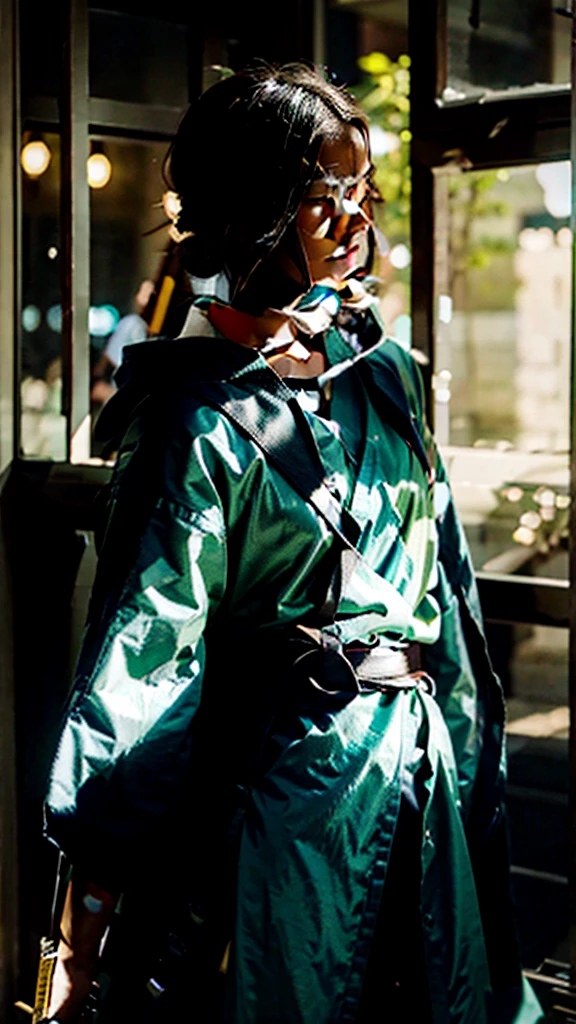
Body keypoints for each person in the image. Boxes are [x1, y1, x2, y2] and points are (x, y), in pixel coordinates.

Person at [43, 65, 543, 1024]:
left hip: (421, 783)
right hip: (284, 812)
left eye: (366, 193)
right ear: (251, 215)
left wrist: (475, 776)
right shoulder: (191, 419)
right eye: (326, 200)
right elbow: (144, 665)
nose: (359, 221)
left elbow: (453, 604)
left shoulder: (388, 373)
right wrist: (84, 926)